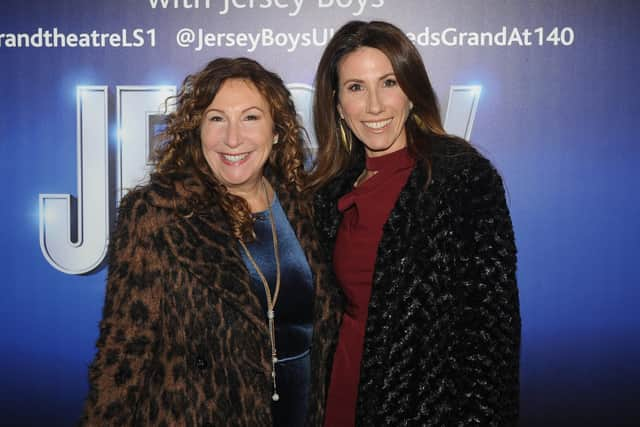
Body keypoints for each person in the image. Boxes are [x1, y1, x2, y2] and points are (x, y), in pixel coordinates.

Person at [81, 57, 341, 426]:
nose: (232, 138)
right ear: (198, 130)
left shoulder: (306, 207)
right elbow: (123, 351)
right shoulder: (158, 213)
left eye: (251, 117)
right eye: (217, 118)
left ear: (278, 130)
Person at [309, 21, 521, 426]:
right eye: (356, 87)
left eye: (388, 82)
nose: (374, 105)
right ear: (337, 104)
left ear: (411, 91)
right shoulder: (325, 193)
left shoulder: (462, 180)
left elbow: (491, 334)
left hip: (426, 407)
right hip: (341, 392)